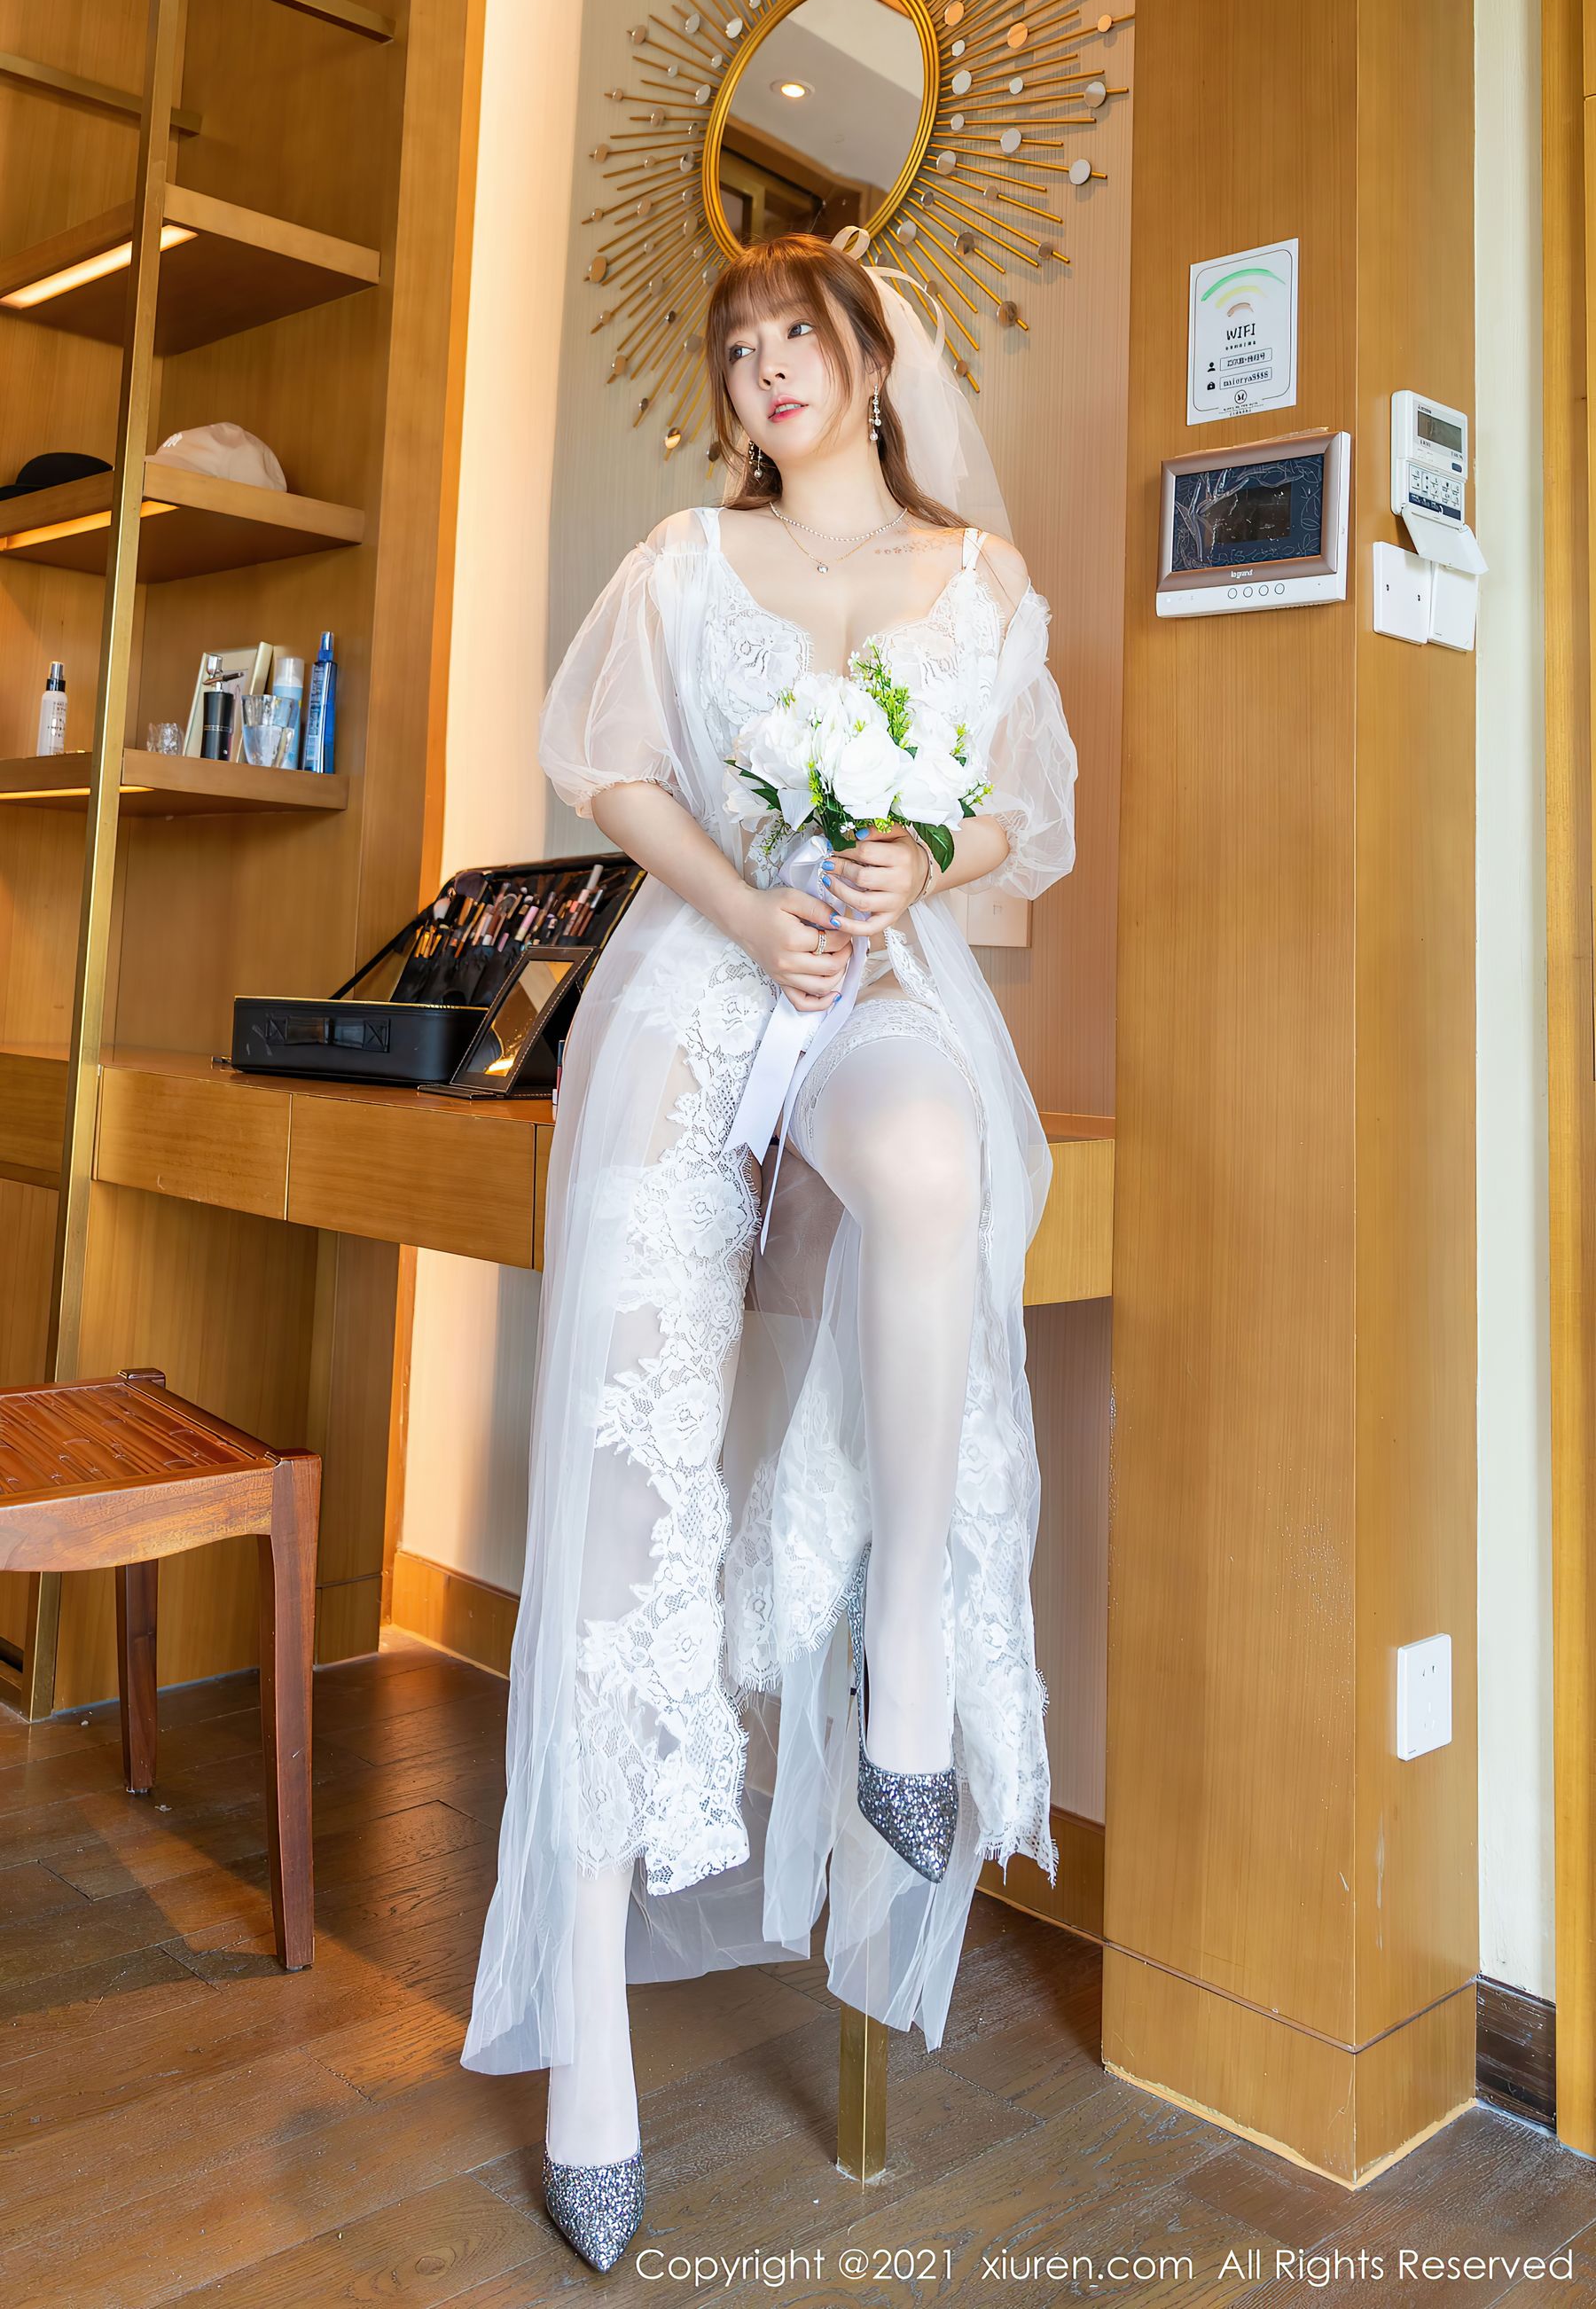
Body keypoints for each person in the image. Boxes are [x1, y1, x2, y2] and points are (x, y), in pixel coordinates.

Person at [460, 231, 1079, 2273]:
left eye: (795, 337)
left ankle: (910, 1655)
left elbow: (1024, 814)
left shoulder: (980, 583)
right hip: (703, 981)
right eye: (736, 352)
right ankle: (590, 2042)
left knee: (932, 1163)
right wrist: (744, 909)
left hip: (876, 985)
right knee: (630, 1463)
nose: (764, 373)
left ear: (874, 360)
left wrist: (924, 857)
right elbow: (610, 770)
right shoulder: (681, 563)